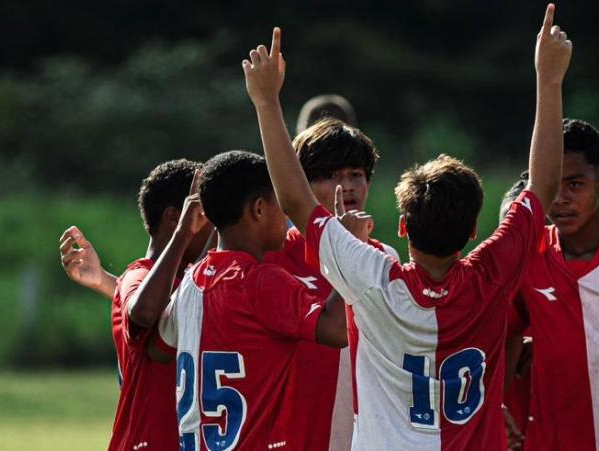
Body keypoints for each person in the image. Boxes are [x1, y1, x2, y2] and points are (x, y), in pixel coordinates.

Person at [242, 3, 570, 447]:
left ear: (402, 227)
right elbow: (543, 186)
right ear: (473, 232)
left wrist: (265, 101)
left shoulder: (373, 278)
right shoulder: (491, 276)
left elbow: (296, 202)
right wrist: (548, 80)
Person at [148, 150, 348, 449]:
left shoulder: (192, 279)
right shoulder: (261, 281)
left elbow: (160, 349)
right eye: (280, 206)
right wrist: (348, 250)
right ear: (258, 209)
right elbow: (337, 329)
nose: (287, 218)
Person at [502, 119, 599, 451]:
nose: (559, 199)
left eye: (574, 184)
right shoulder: (528, 255)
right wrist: (500, 401)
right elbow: (506, 330)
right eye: (551, 186)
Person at [266, 118, 400, 450]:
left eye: (356, 174)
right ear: (303, 186)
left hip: (368, 434)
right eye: (331, 176)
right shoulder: (277, 258)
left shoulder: (385, 257)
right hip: (296, 434)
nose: (347, 186)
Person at [59, 159, 211, 451]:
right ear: (174, 218)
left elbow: (172, 302)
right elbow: (142, 311)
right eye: (207, 216)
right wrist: (184, 234)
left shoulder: (169, 281)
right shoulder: (140, 275)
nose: (214, 225)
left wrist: (104, 280)